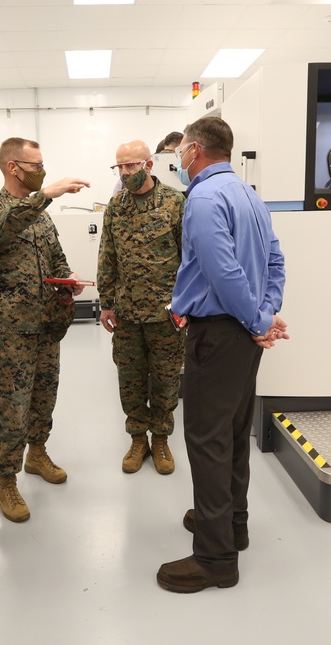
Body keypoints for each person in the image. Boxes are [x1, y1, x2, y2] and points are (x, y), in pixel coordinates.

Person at [156, 117, 288, 594]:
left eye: (179, 151)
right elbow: (275, 260)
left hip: (219, 334)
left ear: (193, 149)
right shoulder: (249, 195)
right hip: (244, 339)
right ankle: (233, 525)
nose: (177, 160)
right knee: (232, 434)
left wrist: (256, 321)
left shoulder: (205, 198)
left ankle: (215, 559)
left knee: (208, 442)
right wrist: (266, 315)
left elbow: (221, 270)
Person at [0, 137, 90, 523]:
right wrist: (49, 194)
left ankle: (37, 453)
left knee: (43, 396)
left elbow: (56, 256)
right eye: (35, 164)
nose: (42, 170)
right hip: (8, 329)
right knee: (12, 405)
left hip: (44, 323)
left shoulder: (41, 216)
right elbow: (0, 230)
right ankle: (6, 479)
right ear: (13, 167)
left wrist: (68, 277)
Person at [98, 140, 185, 474]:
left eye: (130, 166)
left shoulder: (175, 202)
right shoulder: (116, 205)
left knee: (165, 380)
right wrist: (106, 304)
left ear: (149, 164)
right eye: (119, 167)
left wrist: (187, 303)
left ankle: (161, 439)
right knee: (130, 379)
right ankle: (138, 438)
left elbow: (189, 257)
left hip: (166, 312)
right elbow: (107, 255)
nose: (124, 172)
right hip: (127, 313)